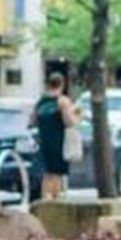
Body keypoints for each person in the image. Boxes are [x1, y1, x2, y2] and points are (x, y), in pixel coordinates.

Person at [31, 71, 79, 200]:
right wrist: (78, 117)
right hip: (58, 140)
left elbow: (32, 121)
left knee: (47, 173)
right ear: (62, 84)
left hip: (44, 140)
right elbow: (69, 122)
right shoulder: (62, 101)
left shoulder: (41, 101)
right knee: (57, 173)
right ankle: (55, 200)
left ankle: (45, 199)